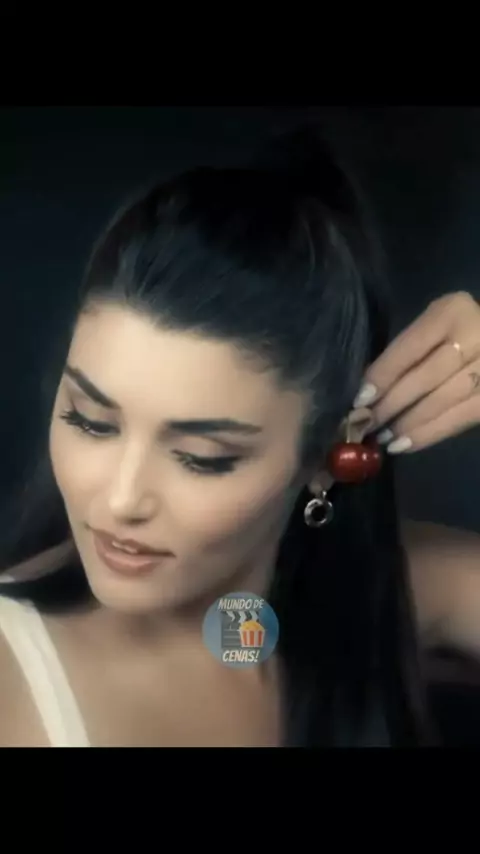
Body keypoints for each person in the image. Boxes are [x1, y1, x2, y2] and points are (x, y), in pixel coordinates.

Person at [1, 126, 480, 748]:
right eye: (91, 421)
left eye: (202, 459)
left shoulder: (370, 592)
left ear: (327, 455)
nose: (121, 500)